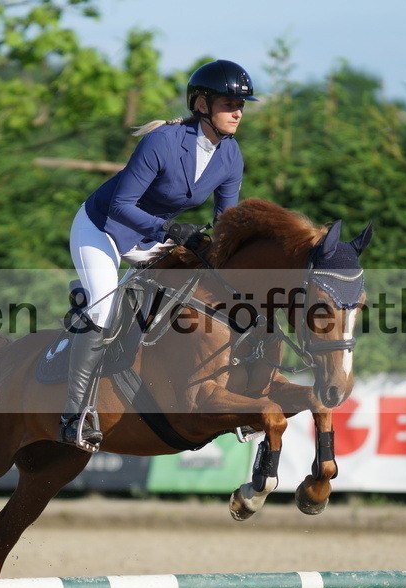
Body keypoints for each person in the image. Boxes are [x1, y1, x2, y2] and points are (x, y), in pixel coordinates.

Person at [59, 59, 258, 450]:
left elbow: (225, 224)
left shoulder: (231, 156)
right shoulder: (162, 142)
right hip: (101, 228)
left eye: (242, 105)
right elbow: (120, 206)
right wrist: (169, 229)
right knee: (103, 308)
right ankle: (75, 415)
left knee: (200, 294)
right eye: (227, 104)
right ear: (201, 104)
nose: (238, 112)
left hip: (149, 236)